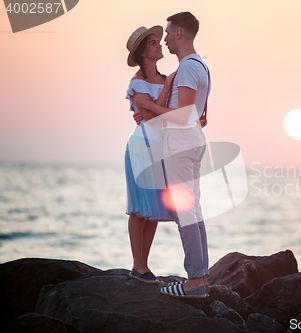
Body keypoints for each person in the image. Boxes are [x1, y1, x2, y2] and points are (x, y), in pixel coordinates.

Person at [131, 11, 210, 298]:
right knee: (193, 210)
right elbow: (197, 112)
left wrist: (149, 108)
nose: (164, 38)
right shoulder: (199, 65)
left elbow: (182, 115)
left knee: (185, 211)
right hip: (191, 143)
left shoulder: (188, 67)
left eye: (167, 33)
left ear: (179, 33)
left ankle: (195, 282)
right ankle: (200, 278)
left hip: (181, 146)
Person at [124, 25, 178, 284]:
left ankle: (144, 265)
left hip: (161, 149)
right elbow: (146, 117)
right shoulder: (137, 82)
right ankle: (138, 265)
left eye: (159, 41)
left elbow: (161, 113)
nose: (160, 45)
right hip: (141, 146)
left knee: (154, 208)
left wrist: (160, 95)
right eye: (154, 43)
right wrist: (149, 108)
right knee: (139, 208)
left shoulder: (166, 78)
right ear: (144, 52)